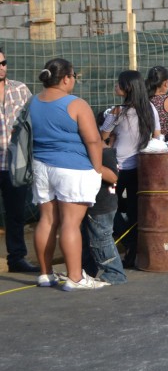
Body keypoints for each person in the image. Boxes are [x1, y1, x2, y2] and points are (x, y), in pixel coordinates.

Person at [30, 58, 118, 291]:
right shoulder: (76, 104)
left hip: (41, 165)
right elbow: (93, 139)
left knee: (47, 220)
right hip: (72, 168)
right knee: (70, 223)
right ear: (67, 78)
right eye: (74, 77)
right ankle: (75, 277)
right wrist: (98, 168)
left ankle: (45, 274)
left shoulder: (33, 102)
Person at [101, 70, 161, 270]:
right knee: (135, 210)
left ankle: (127, 243)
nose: (115, 87)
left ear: (128, 87)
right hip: (140, 167)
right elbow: (158, 136)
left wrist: (112, 122)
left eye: (119, 84)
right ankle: (132, 248)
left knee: (111, 207)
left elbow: (103, 135)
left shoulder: (119, 111)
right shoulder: (149, 108)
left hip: (116, 168)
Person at [0, 47, 38, 273]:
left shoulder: (20, 89)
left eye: (4, 63)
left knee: (15, 214)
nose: (2, 68)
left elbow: (32, 121)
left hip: (15, 163)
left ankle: (17, 258)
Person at [80, 146, 125, 284]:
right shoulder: (95, 151)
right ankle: (87, 270)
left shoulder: (104, 153)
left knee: (101, 240)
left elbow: (113, 177)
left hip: (102, 205)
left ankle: (114, 272)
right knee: (88, 240)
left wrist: (92, 163)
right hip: (93, 204)